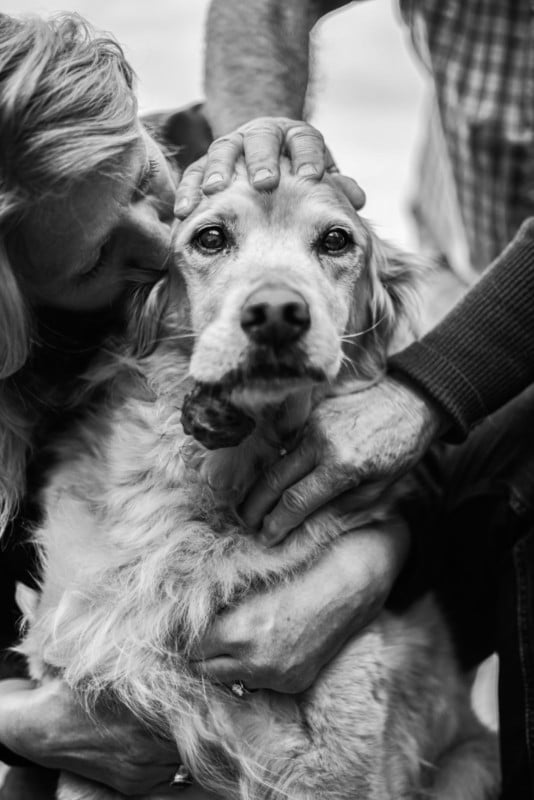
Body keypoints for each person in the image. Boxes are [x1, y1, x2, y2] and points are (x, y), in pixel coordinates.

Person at [0, 11, 409, 797]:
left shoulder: (224, 165)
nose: (163, 245)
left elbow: (429, 425)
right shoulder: (44, 368)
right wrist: (18, 724)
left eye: (140, 178)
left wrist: (371, 557)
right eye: (97, 259)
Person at [169, 1, 534, 797]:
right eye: (213, 240)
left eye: (331, 241)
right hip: (470, 275)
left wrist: (429, 395)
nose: (273, 299)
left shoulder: (389, 315)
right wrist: (257, 151)